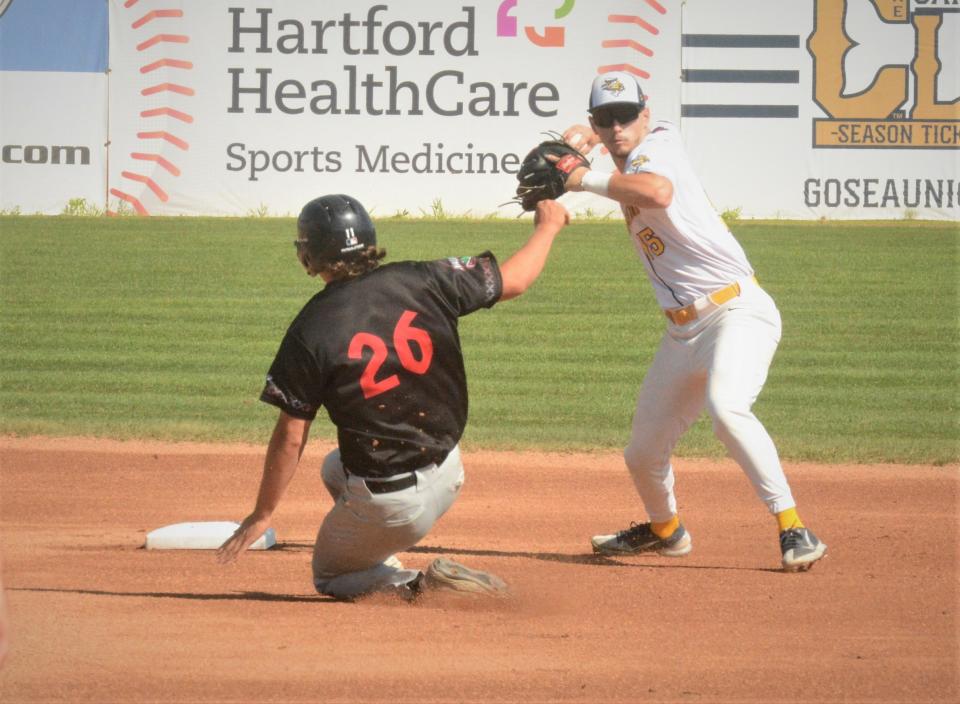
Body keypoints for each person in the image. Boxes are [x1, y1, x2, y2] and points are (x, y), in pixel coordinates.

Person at [218, 194, 570, 598]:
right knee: (334, 469)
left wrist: (262, 515)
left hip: (393, 506)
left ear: (308, 256)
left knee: (330, 577)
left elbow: (291, 436)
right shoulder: (425, 278)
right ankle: (379, 546)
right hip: (449, 469)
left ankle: (422, 584)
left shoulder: (311, 329)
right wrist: (548, 226)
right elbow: (516, 280)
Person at [559, 71, 826, 571]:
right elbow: (615, 144)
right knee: (642, 452)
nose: (617, 127)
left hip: (736, 312)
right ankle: (666, 531)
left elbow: (656, 192)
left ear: (646, 113)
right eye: (605, 118)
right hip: (682, 332)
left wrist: (582, 177)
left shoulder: (657, 146)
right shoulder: (624, 143)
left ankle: (793, 526)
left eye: (625, 116)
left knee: (726, 409)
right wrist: (585, 133)